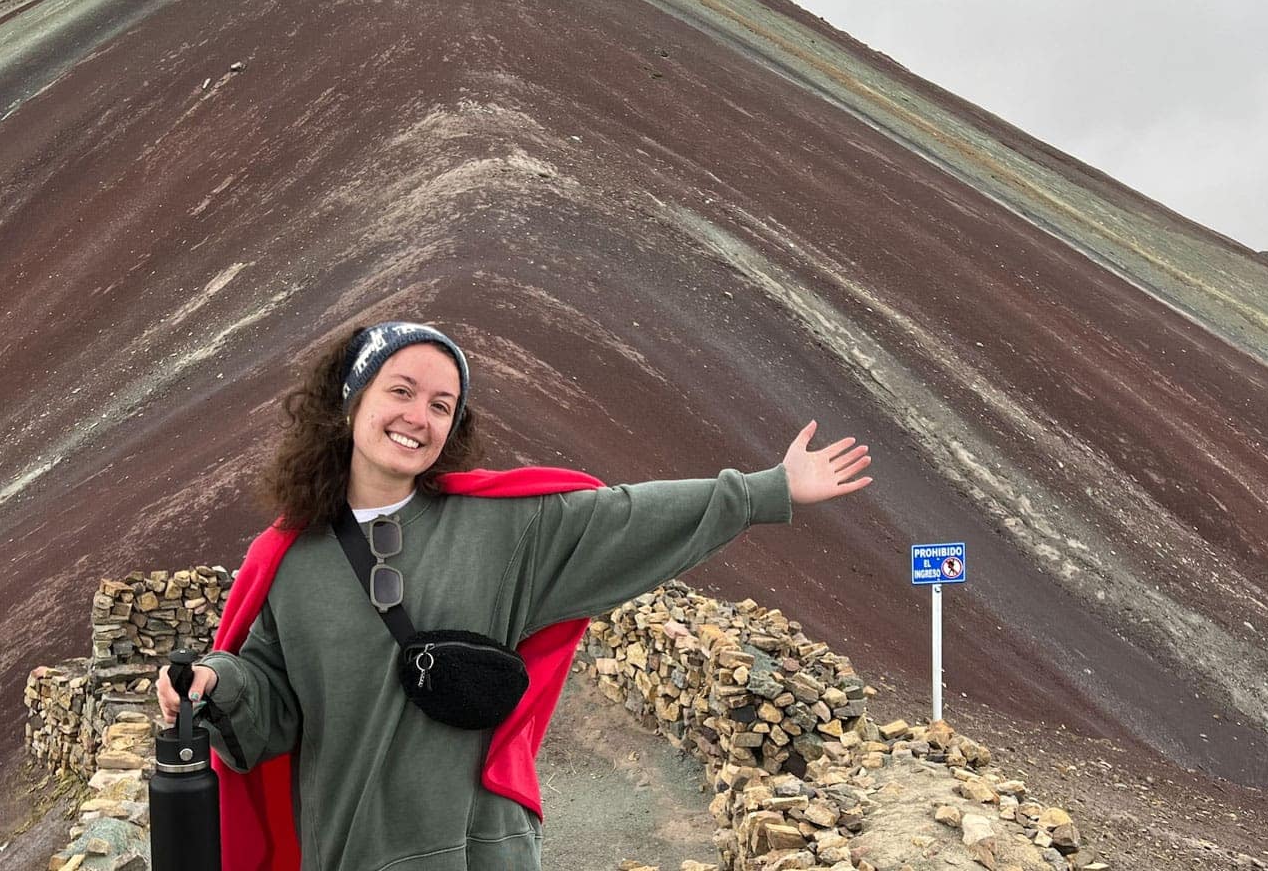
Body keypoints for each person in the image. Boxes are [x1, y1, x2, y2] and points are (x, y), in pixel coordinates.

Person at [156, 320, 873, 871]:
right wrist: (220, 681)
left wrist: (767, 490)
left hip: (479, 849)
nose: (418, 416)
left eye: (442, 404)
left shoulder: (506, 528)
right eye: (400, 391)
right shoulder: (289, 559)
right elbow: (273, 708)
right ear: (350, 403)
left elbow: (632, 516)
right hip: (351, 848)